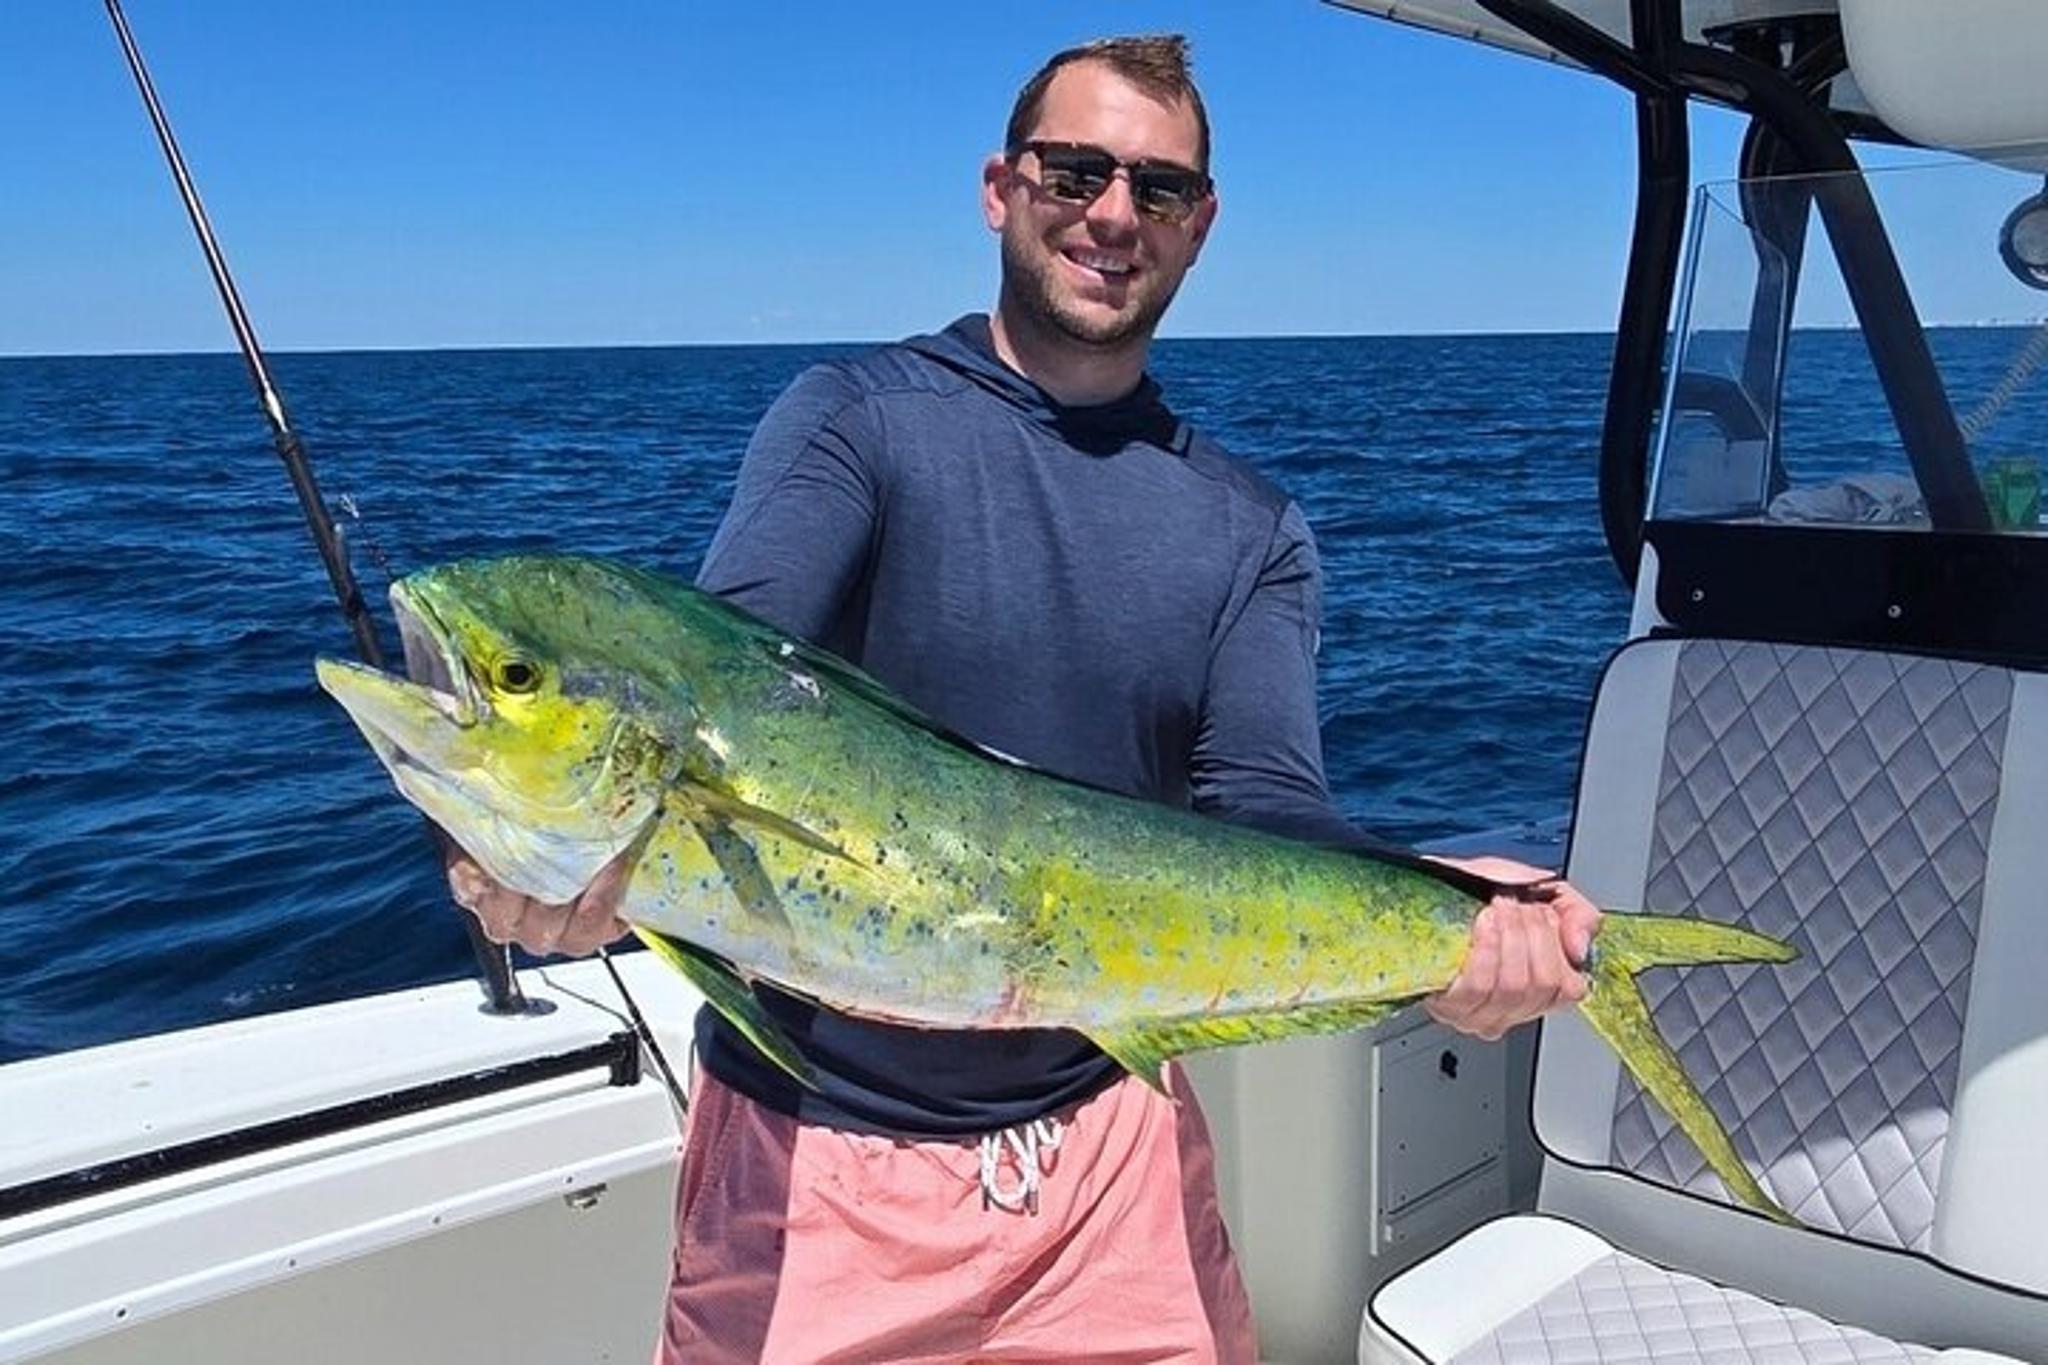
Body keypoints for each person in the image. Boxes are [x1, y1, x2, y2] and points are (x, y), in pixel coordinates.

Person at [447, 34, 1600, 1364]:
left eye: (1159, 189)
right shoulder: (854, 423)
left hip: (1117, 1171)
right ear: (1003, 187)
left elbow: (1269, 814)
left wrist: (1450, 915)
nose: (1114, 213)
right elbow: (726, 676)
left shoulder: (1253, 530)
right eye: (1076, 170)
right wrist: (510, 854)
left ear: (1200, 226)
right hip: (818, 1186)